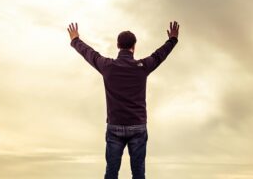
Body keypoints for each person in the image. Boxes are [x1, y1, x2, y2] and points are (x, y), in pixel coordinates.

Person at [67, 21, 180, 179]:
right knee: (138, 173)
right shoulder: (143, 66)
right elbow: (159, 55)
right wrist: (172, 40)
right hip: (138, 127)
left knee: (111, 172)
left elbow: (89, 53)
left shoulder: (107, 66)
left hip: (115, 127)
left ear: (118, 45)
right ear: (134, 47)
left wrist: (75, 40)